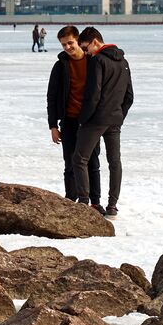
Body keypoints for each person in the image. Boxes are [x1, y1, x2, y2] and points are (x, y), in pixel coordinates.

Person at [70, 27, 132, 218]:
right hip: (114, 119)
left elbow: (93, 95)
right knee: (114, 162)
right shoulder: (123, 61)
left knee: (79, 159)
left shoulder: (98, 60)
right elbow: (129, 96)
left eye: (85, 47)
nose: (86, 52)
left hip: (96, 119)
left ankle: (83, 201)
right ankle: (112, 206)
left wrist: (84, 119)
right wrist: (119, 115)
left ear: (95, 42)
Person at [47, 25, 102, 213]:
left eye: (70, 43)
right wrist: (53, 125)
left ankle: (95, 202)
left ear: (78, 41)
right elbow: (52, 97)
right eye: (64, 45)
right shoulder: (60, 66)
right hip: (69, 120)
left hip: (90, 121)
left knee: (92, 161)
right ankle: (71, 199)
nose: (68, 48)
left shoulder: (94, 62)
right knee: (70, 162)